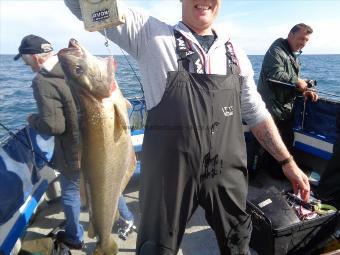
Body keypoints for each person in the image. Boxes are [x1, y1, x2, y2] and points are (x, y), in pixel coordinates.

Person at [65, 1, 311, 254]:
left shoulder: (235, 52)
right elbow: (79, 6)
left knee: (238, 242)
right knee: (156, 247)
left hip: (227, 172)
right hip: (167, 174)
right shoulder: (149, 34)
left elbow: (256, 113)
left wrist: (286, 161)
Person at [14, 34, 84, 249]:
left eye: (26, 61)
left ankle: (75, 237)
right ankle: (126, 217)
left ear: (36, 58)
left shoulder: (42, 81)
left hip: (72, 151)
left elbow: (54, 126)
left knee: (70, 192)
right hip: (93, 143)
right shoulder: (74, 68)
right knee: (102, 183)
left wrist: (33, 119)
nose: (27, 66)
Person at [257, 23, 318, 176]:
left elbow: (290, 81)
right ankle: (275, 175)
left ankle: (276, 172)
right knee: (279, 141)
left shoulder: (291, 53)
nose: (303, 43)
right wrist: (297, 82)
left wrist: (305, 91)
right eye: (301, 38)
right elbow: (274, 74)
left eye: (306, 41)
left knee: (285, 140)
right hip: (272, 107)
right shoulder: (277, 49)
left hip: (284, 107)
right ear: (291, 34)